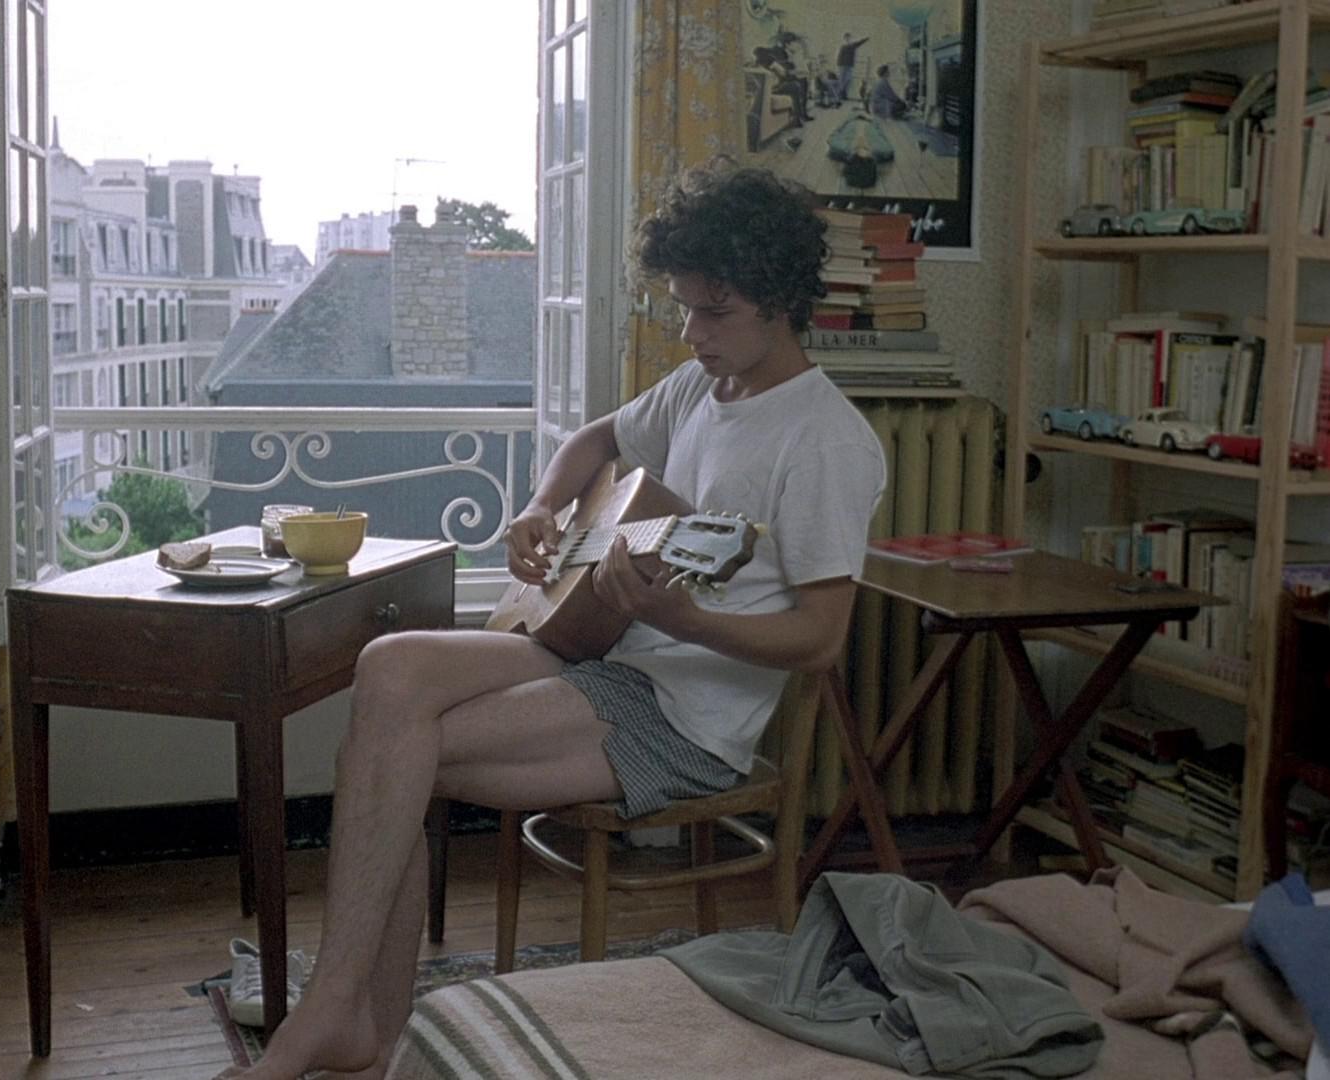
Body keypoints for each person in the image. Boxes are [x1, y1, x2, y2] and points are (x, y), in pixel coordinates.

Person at [215, 161, 887, 1080]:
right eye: (683, 309)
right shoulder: (700, 389)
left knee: (389, 760)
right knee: (391, 667)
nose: (692, 333)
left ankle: (345, 1017)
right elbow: (595, 441)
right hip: (601, 648)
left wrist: (682, 618)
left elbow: (820, 639)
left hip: (683, 718)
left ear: (779, 299)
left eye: (715, 312)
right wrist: (541, 508)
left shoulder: (827, 440)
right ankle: (353, 1022)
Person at [834, 32, 870, 102]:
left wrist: (866, 38)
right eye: (847, 38)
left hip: (849, 65)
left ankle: (843, 95)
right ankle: (839, 95)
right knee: (842, 81)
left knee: (848, 80)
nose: (848, 39)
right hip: (843, 66)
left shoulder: (852, 45)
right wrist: (839, 66)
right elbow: (839, 57)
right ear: (844, 39)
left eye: (849, 38)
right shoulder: (842, 46)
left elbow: (860, 42)